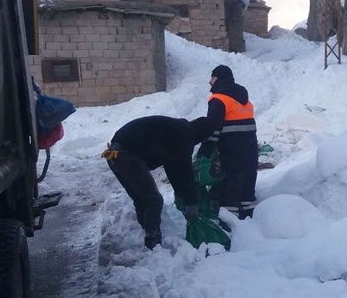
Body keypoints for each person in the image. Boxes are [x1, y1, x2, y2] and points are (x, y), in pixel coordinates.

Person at [102, 115, 214, 249]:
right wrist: (192, 201)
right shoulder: (185, 136)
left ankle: (144, 234)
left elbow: (173, 168)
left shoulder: (177, 131)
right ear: (202, 136)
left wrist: (181, 192)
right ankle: (153, 244)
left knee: (141, 198)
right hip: (126, 156)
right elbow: (185, 172)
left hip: (113, 153)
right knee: (153, 200)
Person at [198, 65, 258, 224]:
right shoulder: (244, 99)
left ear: (218, 79)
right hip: (250, 148)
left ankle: (229, 226)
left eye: (212, 77)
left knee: (231, 186)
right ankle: (251, 223)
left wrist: (204, 153)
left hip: (232, 149)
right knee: (247, 185)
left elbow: (213, 129)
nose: (209, 82)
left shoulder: (219, 99)